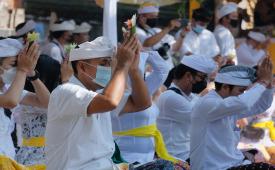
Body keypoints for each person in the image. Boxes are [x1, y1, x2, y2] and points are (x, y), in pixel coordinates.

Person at [45, 35, 151, 170]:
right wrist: (122, 65)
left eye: (109, 63)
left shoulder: (99, 96)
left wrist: (134, 70)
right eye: (103, 63)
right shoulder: (66, 91)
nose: (108, 68)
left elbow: (142, 103)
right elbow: (110, 101)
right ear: (82, 67)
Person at [190, 58, 275, 170]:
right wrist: (263, 83)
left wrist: (269, 86)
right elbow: (243, 103)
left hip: (232, 163)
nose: (242, 94)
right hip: (213, 167)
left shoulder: (230, 104)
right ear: (225, 87)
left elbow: (261, 105)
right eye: (241, 91)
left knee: (256, 154)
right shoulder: (208, 104)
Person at [112, 51, 170, 164]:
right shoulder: (114, 95)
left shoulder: (144, 91)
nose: (139, 78)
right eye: (135, 73)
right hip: (125, 159)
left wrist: (143, 52)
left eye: (140, 74)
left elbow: (162, 70)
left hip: (149, 158)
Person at [157, 55, 217, 162]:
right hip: (175, 158)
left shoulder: (189, 96)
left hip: (189, 154)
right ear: (188, 76)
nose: (204, 82)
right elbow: (202, 117)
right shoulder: (170, 97)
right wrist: (208, 93)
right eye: (202, 77)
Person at [0, 38, 39, 160]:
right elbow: (10, 102)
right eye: (13, 65)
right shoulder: (9, 94)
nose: (16, 69)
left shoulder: (6, 89)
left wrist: (32, 74)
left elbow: (45, 101)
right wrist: (22, 70)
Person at [136, 2, 181, 69]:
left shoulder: (157, 30)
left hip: (168, 71)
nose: (155, 18)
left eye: (156, 16)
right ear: (142, 17)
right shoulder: (136, 31)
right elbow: (147, 43)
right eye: (151, 16)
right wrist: (168, 28)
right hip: (151, 73)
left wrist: (183, 35)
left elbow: (174, 48)